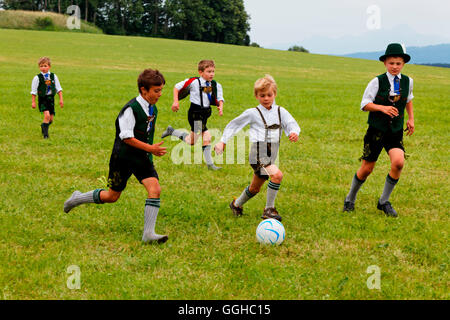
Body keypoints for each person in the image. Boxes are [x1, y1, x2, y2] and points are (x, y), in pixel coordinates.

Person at [63, 69, 169, 243]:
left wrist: (148, 150)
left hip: (141, 157)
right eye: (156, 91)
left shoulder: (153, 108)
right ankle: (77, 198)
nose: (160, 94)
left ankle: (148, 234)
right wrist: (150, 148)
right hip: (123, 158)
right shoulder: (130, 110)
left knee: (155, 189)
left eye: (161, 90)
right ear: (143, 90)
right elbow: (126, 137)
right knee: (112, 196)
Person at [343, 43, 415, 218]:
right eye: (391, 63)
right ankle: (350, 198)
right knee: (367, 169)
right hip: (376, 131)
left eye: (398, 63)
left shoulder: (408, 81)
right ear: (385, 63)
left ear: (403, 63)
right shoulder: (377, 81)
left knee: (398, 163)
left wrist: (411, 118)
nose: (395, 67)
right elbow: (364, 104)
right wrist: (382, 108)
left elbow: (408, 99)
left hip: (395, 130)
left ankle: (383, 201)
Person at [215, 75, 300, 222]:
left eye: (269, 95)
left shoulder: (281, 111)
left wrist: (293, 132)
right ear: (256, 96)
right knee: (277, 175)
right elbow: (234, 125)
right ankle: (269, 209)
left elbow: (291, 123)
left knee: (255, 188)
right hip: (258, 153)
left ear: (275, 94)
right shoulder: (252, 113)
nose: (266, 98)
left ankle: (236, 204)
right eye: (262, 95)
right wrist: (223, 141)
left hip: (272, 153)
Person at [161, 60, 224, 170]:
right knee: (206, 136)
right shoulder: (193, 82)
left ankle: (172, 131)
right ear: (200, 72)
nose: (212, 74)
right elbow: (177, 87)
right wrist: (176, 102)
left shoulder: (215, 85)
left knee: (191, 141)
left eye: (213, 71)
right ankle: (210, 165)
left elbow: (220, 98)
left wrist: (220, 107)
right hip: (195, 114)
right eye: (209, 71)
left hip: (205, 114)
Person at [31, 57, 63, 139]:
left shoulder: (53, 76)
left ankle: (43, 126)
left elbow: (58, 88)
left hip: (51, 99)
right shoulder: (37, 78)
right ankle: (46, 135)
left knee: (51, 119)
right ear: (39, 67)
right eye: (41, 66)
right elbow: (34, 91)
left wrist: (61, 100)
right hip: (43, 99)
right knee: (47, 116)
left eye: (45, 66)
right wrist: (33, 102)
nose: (43, 68)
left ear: (49, 66)